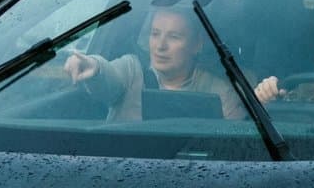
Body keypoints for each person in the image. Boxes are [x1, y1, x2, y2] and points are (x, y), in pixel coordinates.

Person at [64, 7, 246, 121]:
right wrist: (94, 67)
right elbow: (108, 77)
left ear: (197, 44)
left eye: (174, 37)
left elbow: (231, 145)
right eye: (155, 34)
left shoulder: (220, 91)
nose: (160, 46)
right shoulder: (131, 70)